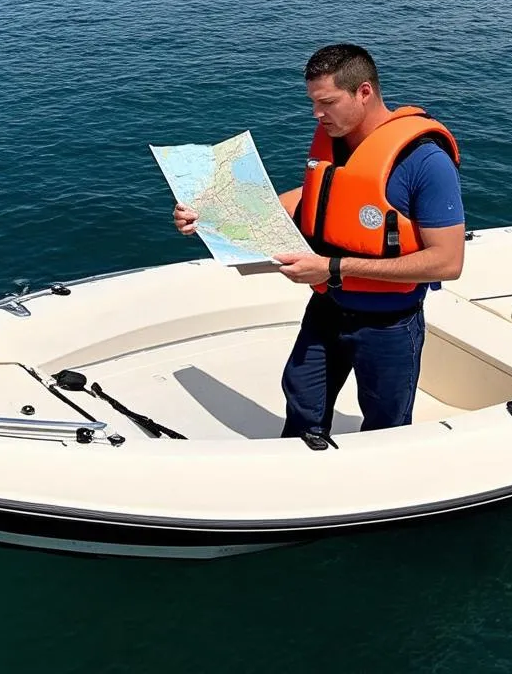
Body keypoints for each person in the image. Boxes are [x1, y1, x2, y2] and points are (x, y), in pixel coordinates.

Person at [173, 43, 465, 448]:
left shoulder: (425, 161)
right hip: (328, 307)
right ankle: (299, 479)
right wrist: (212, 217)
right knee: (302, 400)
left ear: (364, 92)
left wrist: (332, 268)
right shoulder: (334, 140)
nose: (317, 114)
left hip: (389, 322)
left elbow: (447, 262)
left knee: (386, 425)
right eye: (313, 102)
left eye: (326, 102)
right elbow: (311, 198)